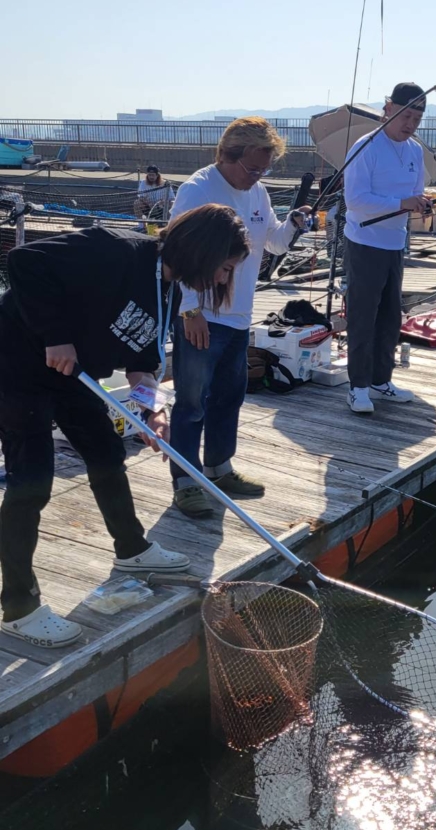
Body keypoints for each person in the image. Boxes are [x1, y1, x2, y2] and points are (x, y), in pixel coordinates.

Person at [0, 203, 250, 648]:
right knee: (31, 482)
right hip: (17, 367)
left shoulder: (168, 291)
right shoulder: (115, 250)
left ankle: (132, 549)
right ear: (204, 251)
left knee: (106, 452)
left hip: (72, 375)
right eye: (225, 268)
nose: (221, 280)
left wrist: (152, 412)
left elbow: (141, 364)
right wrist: (56, 336)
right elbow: (24, 261)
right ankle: (18, 608)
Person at [168, 117, 310, 518]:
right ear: (228, 155)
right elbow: (175, 252)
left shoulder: (258, 191)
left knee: (230, 396)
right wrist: (190, 309)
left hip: (240, 316)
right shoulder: (197, 190)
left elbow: (275, 243)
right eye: (252, 168)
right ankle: (185, 481)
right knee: (191, 402)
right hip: (201, 316)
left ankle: (219, 467)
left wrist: (294, 223)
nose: (258, 176)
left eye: (265, 170)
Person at [342, 81, 431, 415]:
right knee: (363, 316)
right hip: (364, 242)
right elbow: (355, 200)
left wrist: (421, 204)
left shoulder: (415, 151)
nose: (410, 124)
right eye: (406, 116)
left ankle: (382, 380)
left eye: (417, 119)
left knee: (391, 316)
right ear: (388, 108)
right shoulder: (365, 147)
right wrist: (401, 203)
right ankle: (358, 387)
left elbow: (415, 193)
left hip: (396, 243)